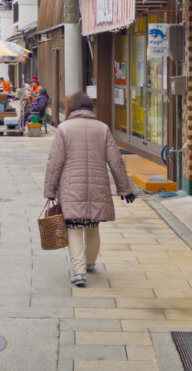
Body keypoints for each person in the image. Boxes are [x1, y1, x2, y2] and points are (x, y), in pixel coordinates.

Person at [43, 92, 136, 287]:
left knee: (74, 228)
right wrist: (124, 189)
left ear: (71, 108)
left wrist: (50, 190)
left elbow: (54, 163)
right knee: (93, 226)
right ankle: (90, 262)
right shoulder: (102, 128)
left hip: (71, 188)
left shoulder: (64, 129)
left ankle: (79, 272)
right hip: (97, 186)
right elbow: (115, 161)